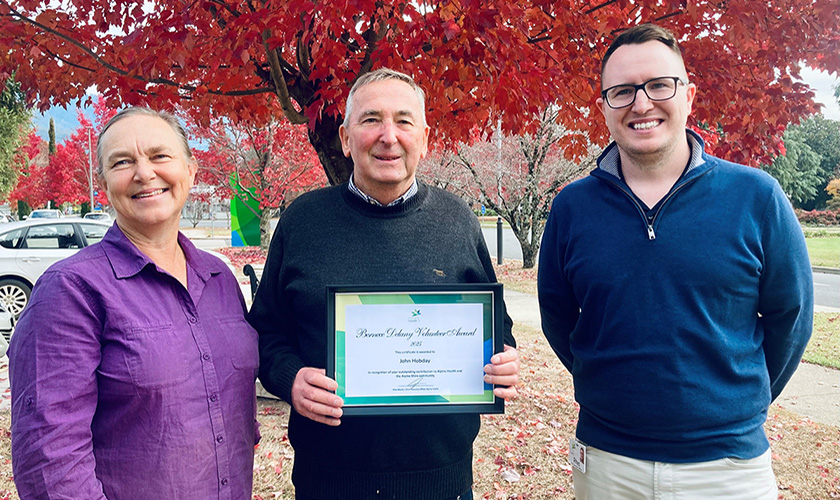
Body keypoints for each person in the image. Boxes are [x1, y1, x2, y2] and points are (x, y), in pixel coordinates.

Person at [537, 23, 813, 499]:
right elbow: (559, 319)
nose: (641, 104)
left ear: (689, 96)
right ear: (604, 108)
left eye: (659, 85)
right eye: (622, 91)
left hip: (727, 470)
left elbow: (793, 318)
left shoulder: (756, 197)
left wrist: (734, 402)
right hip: (607, 463)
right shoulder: (572, 207)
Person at [248, 68, 520, 500]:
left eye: (404, 121)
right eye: (371, 119)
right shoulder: (303, 222)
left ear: (425, 138)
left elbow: (497, 328)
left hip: (441, 480)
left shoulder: (457, 222)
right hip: (328, 481)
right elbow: (264, 331)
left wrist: (503, 358)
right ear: (345, 137)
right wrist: (290, 377)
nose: (388, 135)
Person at [10, 108, 259, 499]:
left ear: (191, 171)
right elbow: (50, 459)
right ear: (105, 185)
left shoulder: (220, 279)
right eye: (122, 162)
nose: (144, 173)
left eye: (160, 156)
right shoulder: (71, 291)